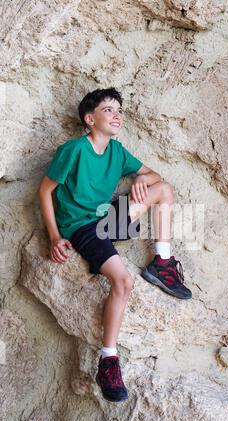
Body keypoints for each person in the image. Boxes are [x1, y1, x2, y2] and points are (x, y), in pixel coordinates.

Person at [38, 87, 192, 403]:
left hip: (106, 220)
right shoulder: (74, 150)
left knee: (162, 188)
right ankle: (108, 360)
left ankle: (162, 261)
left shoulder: (117, 152)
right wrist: (55, 237)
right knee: (123, 281)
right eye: (108, 109)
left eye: (119, 109)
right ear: (89, 118)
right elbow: (43, 192)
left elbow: (154, 174)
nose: (116, 114)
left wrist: (139, 180)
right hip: (82, 228)